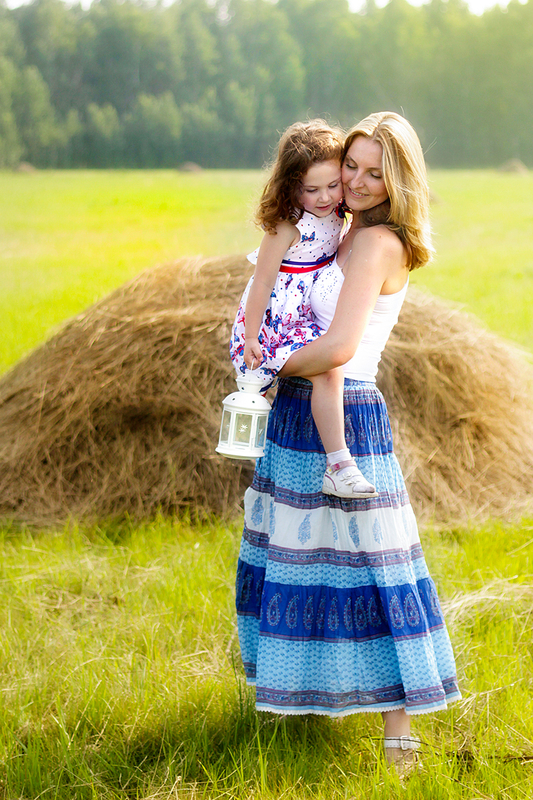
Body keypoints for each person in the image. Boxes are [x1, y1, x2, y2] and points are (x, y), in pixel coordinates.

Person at [235, 112, 461, 776]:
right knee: (303, 561)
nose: (357, 183)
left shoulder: (379, 243)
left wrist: (263, 366)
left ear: (399, 181)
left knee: (371, 564)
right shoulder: (339, 227)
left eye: (374, 173)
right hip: (300, 408)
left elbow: (338, 347)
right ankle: (299, 705)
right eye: (351, 168)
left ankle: (400, 738)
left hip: (346, 408)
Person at [230, 120, 377, 499]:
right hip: (275, 322)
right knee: (312, 375)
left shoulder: (339, 210)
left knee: (329, 369)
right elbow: (261, 282)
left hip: (306, 317)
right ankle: (329, 468)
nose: (325, 197)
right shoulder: (287, 226)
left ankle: (336, 467)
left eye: (333, 185)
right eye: (311, 190)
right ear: (292, 186)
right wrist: (251, 336)